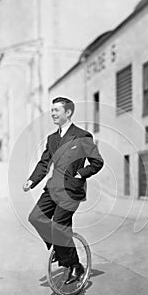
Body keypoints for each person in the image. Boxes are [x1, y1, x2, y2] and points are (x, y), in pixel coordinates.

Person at [23, 97, 104, 284]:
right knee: (35, 217)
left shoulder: (82, 136)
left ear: (68, 113)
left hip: (71, 190)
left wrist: (81, 174)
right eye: (51, 110)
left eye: (56, 110)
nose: (52, 113)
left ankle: (74, 265)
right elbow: (44, 163)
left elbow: (97, 162)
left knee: (59, 225)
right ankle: (61, 251)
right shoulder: (52, 139)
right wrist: (31, 180)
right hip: (53, 188)